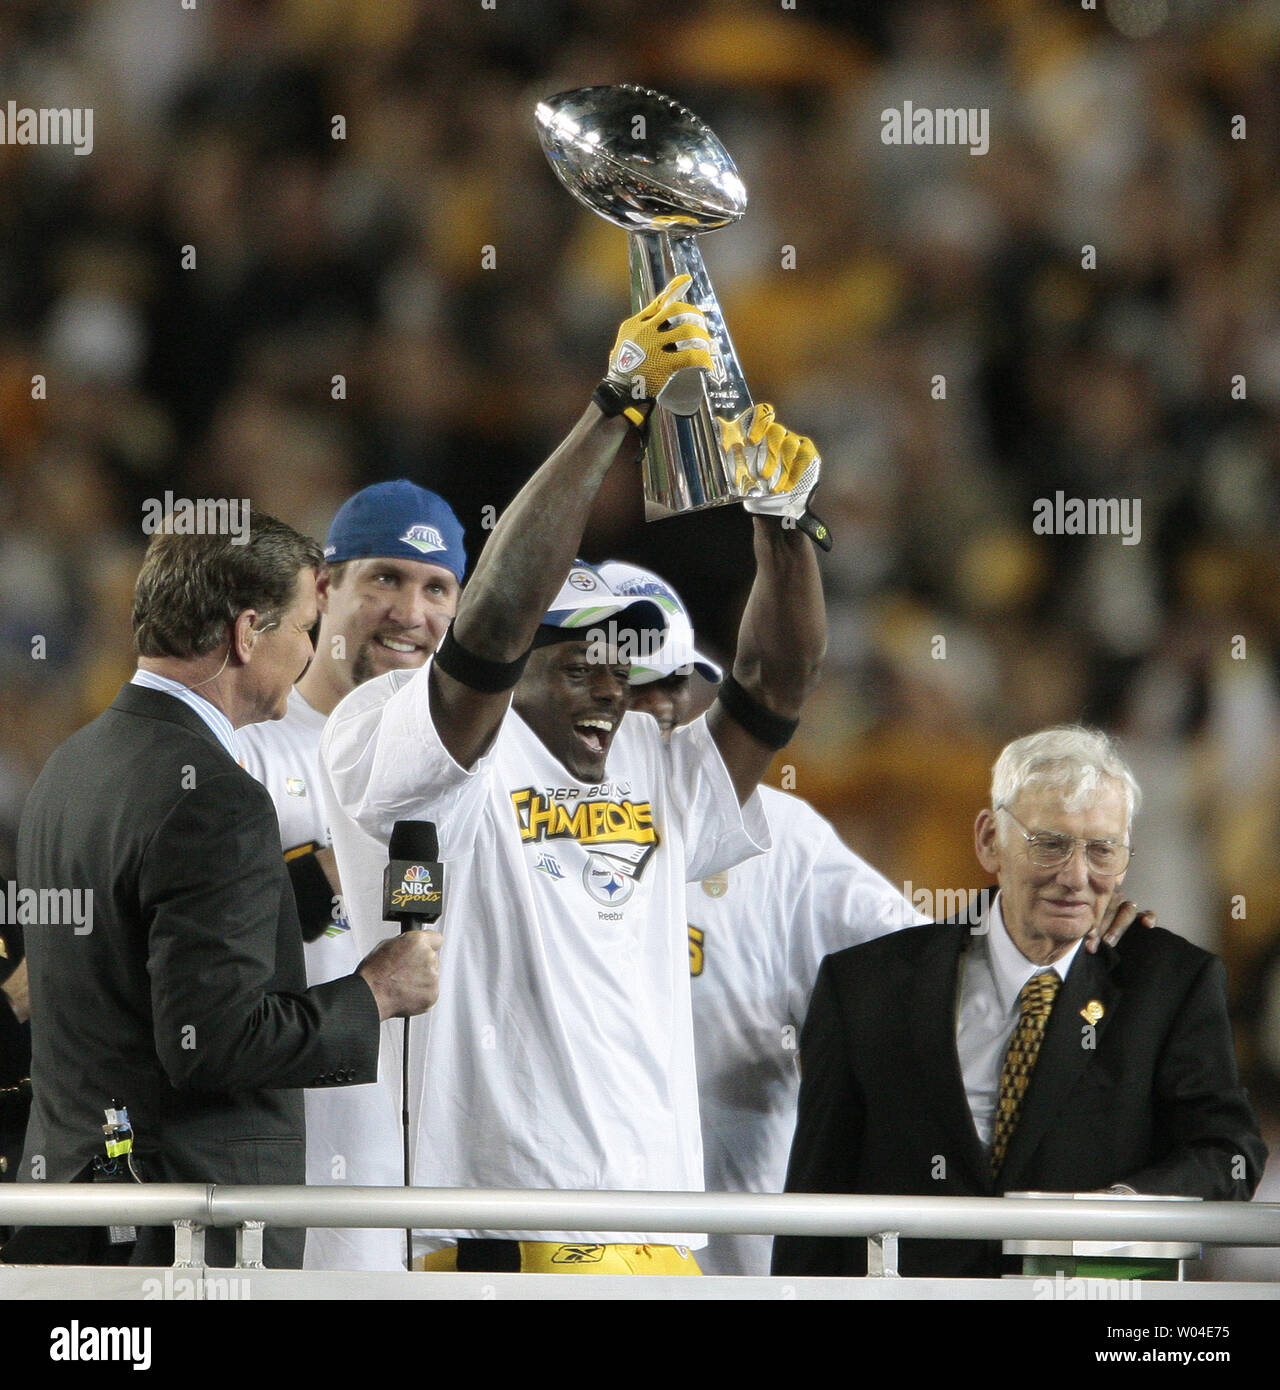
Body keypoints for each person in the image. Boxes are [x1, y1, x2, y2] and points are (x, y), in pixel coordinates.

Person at [321, 276, 827, 1274]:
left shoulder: (649, 762)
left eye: (618, 662)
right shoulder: (412, 733)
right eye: (576, 659)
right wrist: (615, 406)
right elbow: (495, 624)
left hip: (660, 1235)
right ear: (520, 665)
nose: (608, 686)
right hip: (508, 1232)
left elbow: (776, 678)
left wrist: (784, 526)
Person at [607, 565, 1155, 1276]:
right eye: (623, 682)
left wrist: (1052, 936)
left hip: (722, 1261)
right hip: (520, 1241)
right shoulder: (491, 820)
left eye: (669, 683)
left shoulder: (778, 834)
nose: (648, 708)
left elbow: (925, 971)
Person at [12, 513, 441, 1268]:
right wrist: (373, 993)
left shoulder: (71, 765)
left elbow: (145, 958)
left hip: (77, 1213)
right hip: (181, 1237)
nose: (311, 654)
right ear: (247, 633)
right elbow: (215, 1041)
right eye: (307, 629)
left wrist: (312, 886)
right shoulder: (218, 795)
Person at [773, 726, 1268, 1279]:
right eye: (1050, 844)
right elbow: (815, 1200)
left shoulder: (1171, 984)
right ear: (989, 840)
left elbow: (1231, 1152)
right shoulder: (867, 984)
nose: (1075, 877)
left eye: (1102, 850)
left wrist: (1122, 1207)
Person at [238, 481, 465, 1270]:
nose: (411, 612)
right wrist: (331, 869)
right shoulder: (249, 752)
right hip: (296, 1175)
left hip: (443, 1195)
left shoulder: (477, 768)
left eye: (436, 587)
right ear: (326, 586)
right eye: (386, 578)